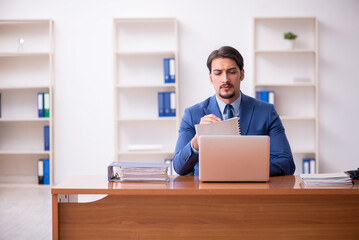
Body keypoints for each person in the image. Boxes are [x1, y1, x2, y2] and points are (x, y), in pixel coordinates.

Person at [173, 46, 295, 176]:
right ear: (210, 77)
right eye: (218, 73)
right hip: (208, 193)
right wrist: (197, 139)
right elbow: (179, 167)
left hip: (251, 191)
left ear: (242, 74)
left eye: (231, 72)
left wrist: (240, 169)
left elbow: (286, 163)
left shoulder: (266, 112)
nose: (225, 79)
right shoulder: (192, 114)